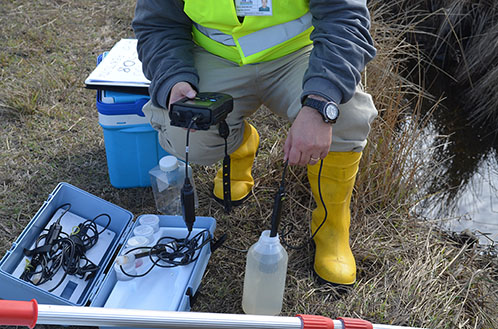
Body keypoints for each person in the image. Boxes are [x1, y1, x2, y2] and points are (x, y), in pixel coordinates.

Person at [132, 0, 377, 287]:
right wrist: (173, 80)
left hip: (299, 54)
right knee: (187, 132)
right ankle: (241, 145)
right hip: (216, 55)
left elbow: (346, 17)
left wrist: (321, 102)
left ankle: (332, 228)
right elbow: (157, 24)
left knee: (344, 117)